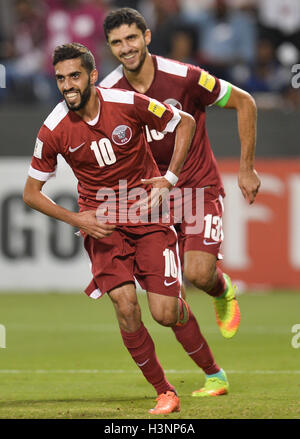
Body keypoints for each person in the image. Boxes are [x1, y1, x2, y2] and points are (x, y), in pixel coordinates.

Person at [22, 42, 216, 415]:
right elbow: (32, 193)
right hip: (103, 225)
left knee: (163, 312)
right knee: (126, 306)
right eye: (61, 78)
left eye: (75, 76)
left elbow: (185, 122)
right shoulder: (53, 129)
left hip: (148, 218)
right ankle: (165, 392)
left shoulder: (127, 102)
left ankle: (212, 370)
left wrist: (169, 178)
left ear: (93, 75)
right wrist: (78, 219)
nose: (67, 85)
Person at [100, 8, 261, 394]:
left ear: (147, 36)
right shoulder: (109, 92)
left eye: (131, 38)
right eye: (117, 42)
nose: (126, 48)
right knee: (166, 307)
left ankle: (222, 291)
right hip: (154, 201)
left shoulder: (184, 77)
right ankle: (214, 376)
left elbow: (246, 102)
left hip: (198, 188)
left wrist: (247, 168)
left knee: (199, 273)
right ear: (109, 47)